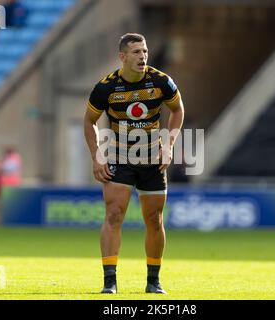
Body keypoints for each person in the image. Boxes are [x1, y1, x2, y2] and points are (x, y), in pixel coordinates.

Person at [84, 33, 184, 294]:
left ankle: (153, 281)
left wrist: (169, 146)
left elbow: (178, 110)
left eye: (145, 51)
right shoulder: (105, 88)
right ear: (123, 57)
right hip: (119, 157)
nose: (143, 57)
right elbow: (89, 121)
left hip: (152, 158)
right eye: (137, 52)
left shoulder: (161, 82)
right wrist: (97, 155)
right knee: (114, 215)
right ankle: (110, 282)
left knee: (154, 218)